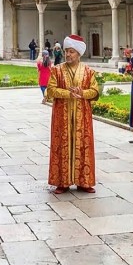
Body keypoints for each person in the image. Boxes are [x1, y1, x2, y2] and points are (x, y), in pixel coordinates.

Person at [47, 34, 99, 194]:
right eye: (66, 51)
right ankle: (62, 182)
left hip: (82, 117)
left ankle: (84, 181)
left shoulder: (88, 71)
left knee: (83, 144)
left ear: (78, 53)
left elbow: (95, 91)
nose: (68, 54)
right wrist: (67, 94)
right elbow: (50, 90)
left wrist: (82, 93)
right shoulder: (57, 70)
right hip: (61, 116)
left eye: (71, 51)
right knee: (61, 144)